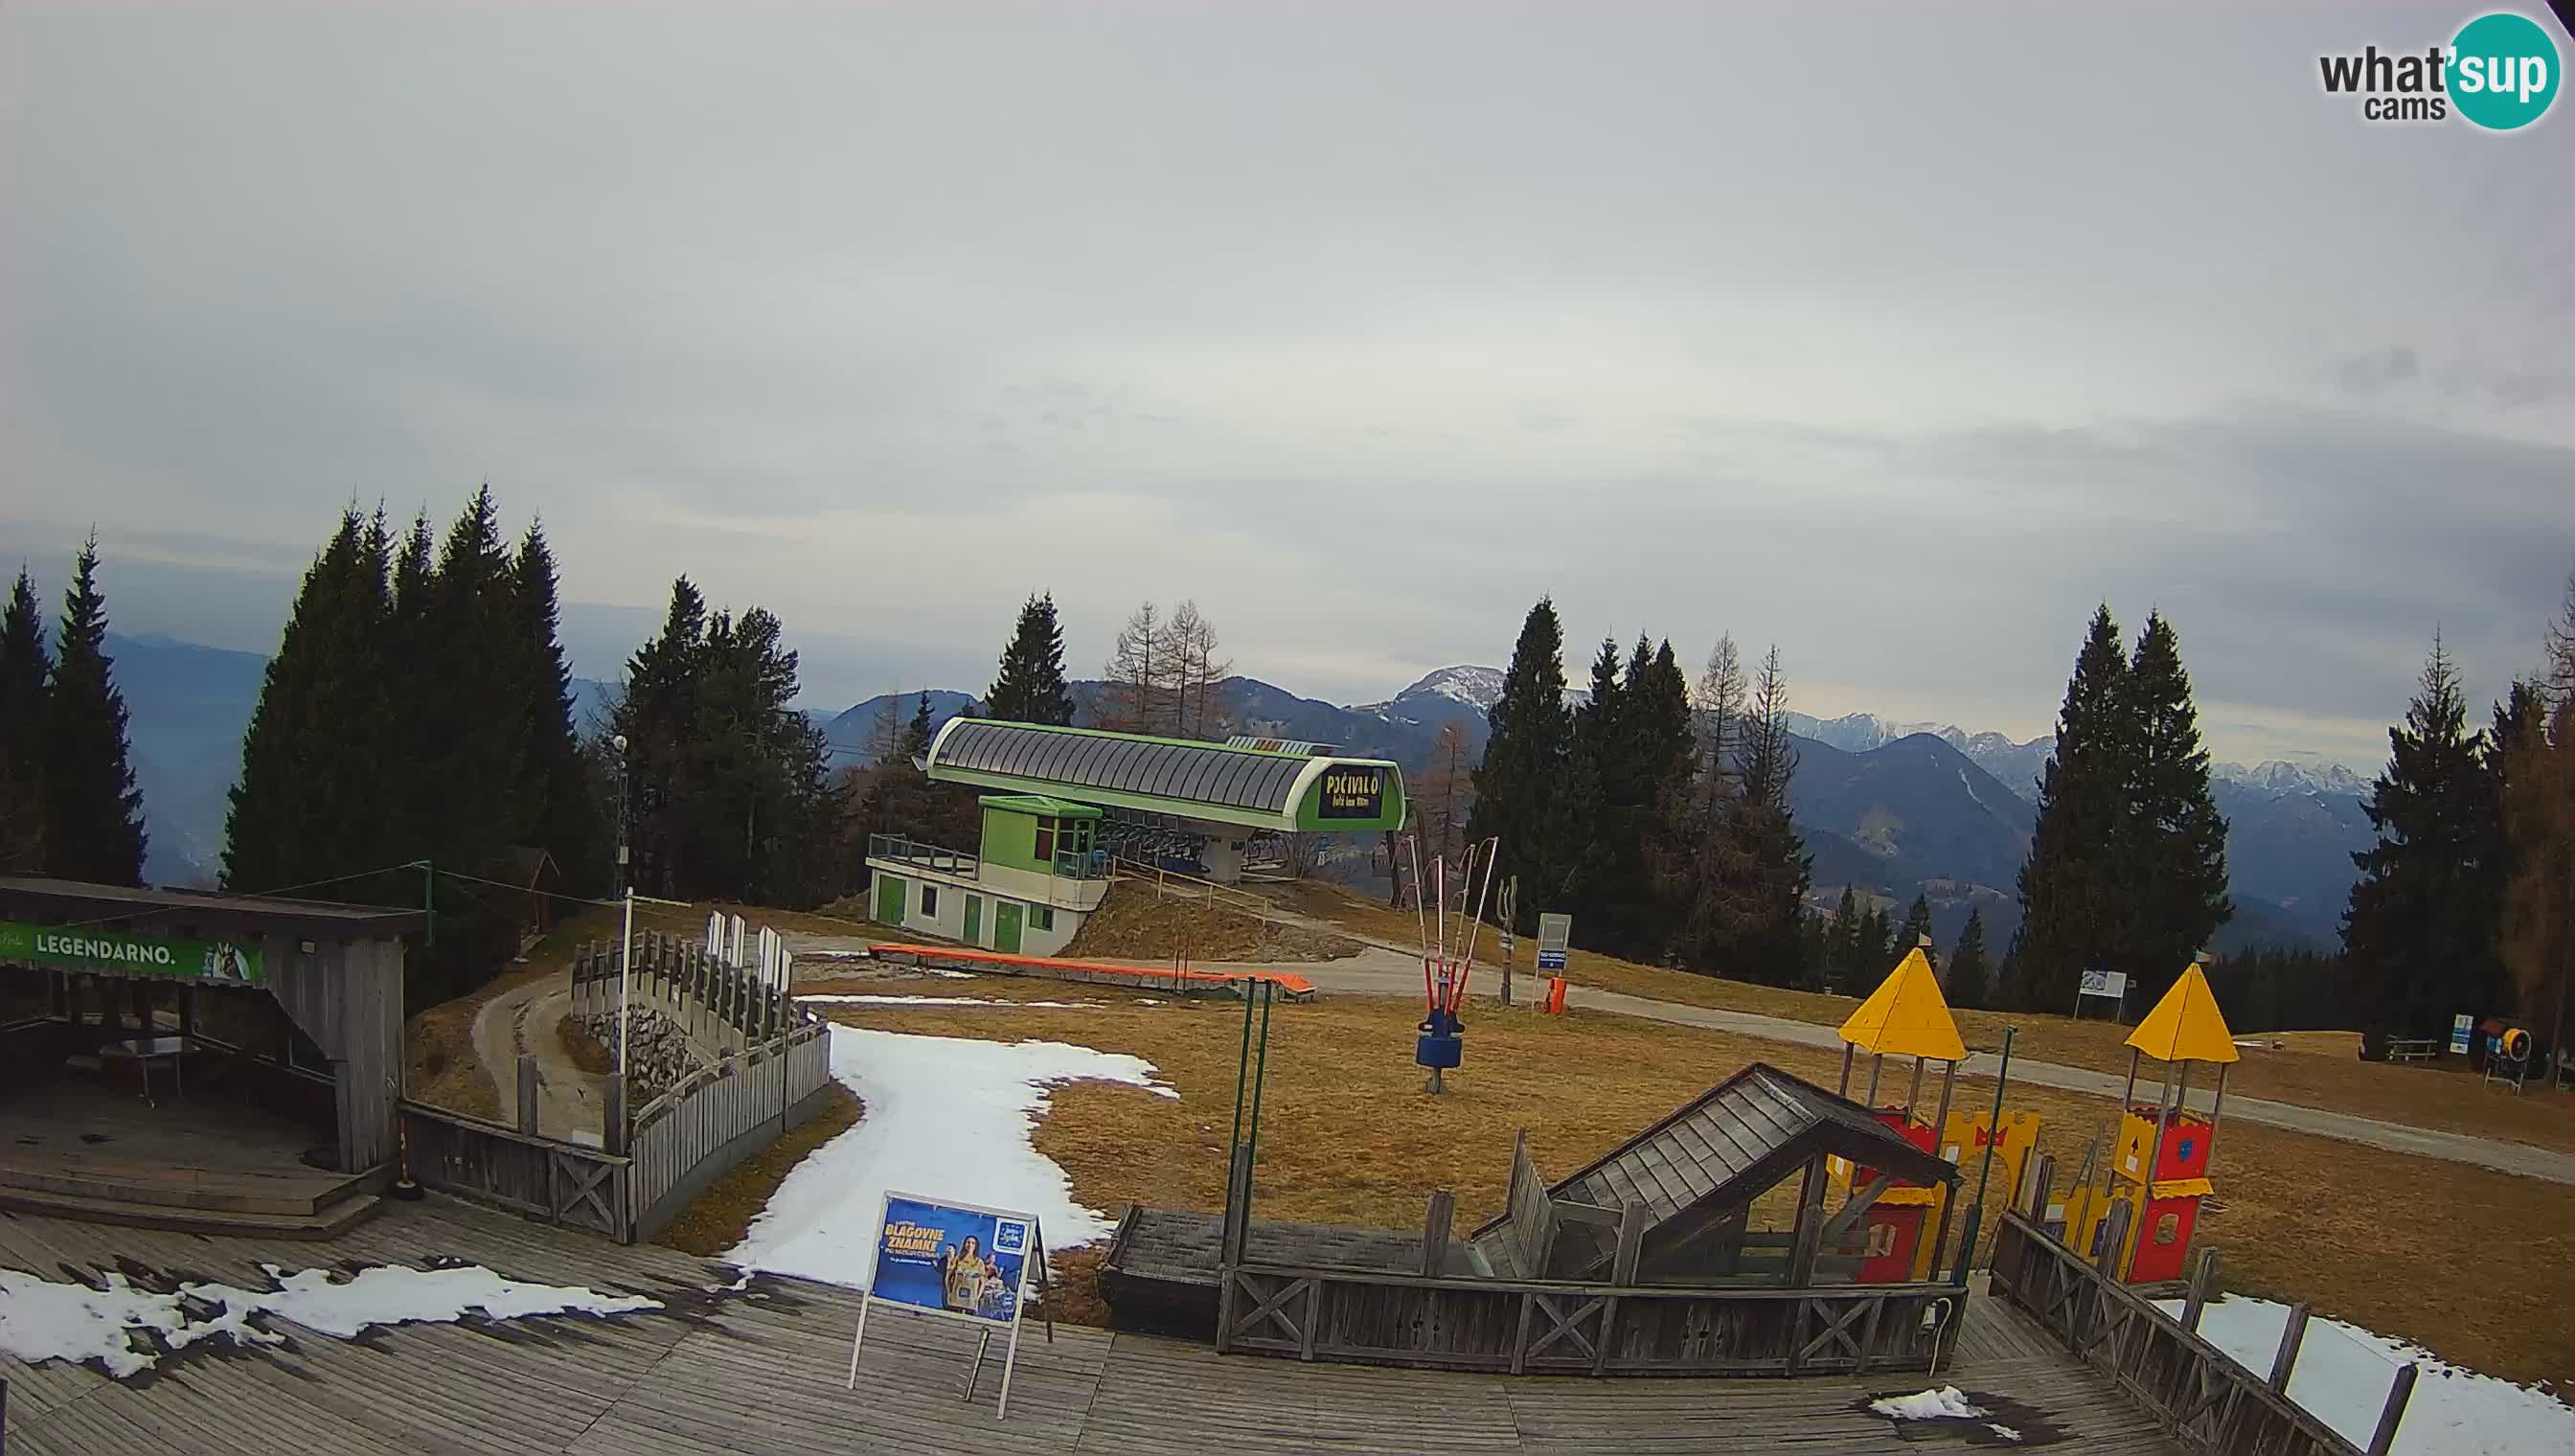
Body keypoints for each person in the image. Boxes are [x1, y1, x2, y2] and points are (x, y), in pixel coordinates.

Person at [945, 1235, 988, 1312]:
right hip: (956, 1299)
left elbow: (982, 1283)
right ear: (965, 1244)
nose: (970, 1245)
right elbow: (948, 1277)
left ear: (976, 1246)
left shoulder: (979, 1262)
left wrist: (977, 1298)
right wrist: (949, 1292)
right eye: (968, 1242)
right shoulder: (957, 1259)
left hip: (970, 1301)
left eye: (973, 1243)